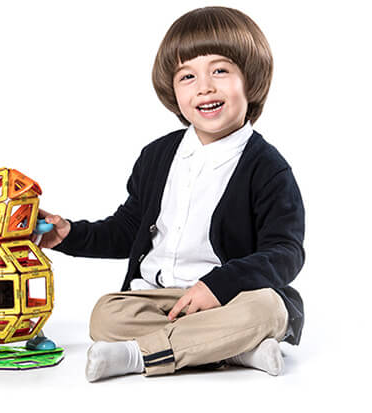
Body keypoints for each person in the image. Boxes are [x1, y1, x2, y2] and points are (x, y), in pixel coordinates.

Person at [39, 6, 305, 381]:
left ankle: (138, 356)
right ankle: (237, 349)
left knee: (269, 310)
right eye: (187, 76)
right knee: (105, 315)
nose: (204, 87)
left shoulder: (267, 167)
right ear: (173, 90)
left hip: (229, 299)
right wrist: (70, 234)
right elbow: (127, 229)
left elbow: (285, 252)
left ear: (251, 78)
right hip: (160, 300)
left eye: (220, 70)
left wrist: (219, 285)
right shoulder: (157, 156)